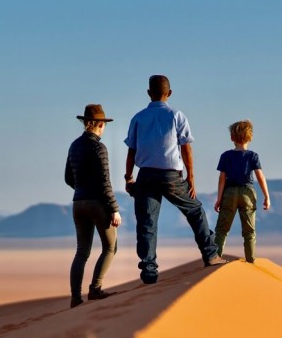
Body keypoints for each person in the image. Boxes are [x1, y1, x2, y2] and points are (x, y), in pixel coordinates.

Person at [124, 75, 226, 284]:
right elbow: (186, 148)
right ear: (169, 93)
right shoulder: (176, 115)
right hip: (170, 175)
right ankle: (210, 255)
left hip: (145, 175)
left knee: (147, 223)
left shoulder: (138, 118)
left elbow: (131, 151)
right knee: (195, 210)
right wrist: (191, 178)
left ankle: (149, 272)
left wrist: (128, 177)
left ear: (148, 93)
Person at [65, 104, 122, 308]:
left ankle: (75, 298)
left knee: (82, 251)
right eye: (104, 124)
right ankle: (95, 289)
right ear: (99, 124)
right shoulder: (99, 148)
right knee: (110, 247)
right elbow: (105, 181)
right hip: (97, 203)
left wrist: (82, 188)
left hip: (78, 203)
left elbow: (68, 178)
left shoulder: (74, 146)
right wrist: (114, 208)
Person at [214, 120, 270, 263]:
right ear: (250, 137)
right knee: (249, 231)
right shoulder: (253, 156)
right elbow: (260, 176)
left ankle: (216, 258)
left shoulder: (226, 155)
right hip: (248, 193)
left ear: (232, 137)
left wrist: (219, 198)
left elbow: (222, 178)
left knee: (222, 230)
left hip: (230, 193)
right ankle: (251, 259)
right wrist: (266, 196)